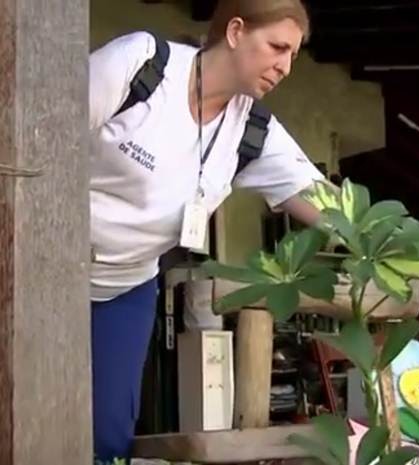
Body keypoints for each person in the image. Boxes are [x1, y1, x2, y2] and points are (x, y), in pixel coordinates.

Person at [88, 0, 325, 461]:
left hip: (122, 287)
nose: (285, 66)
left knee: (106, 437)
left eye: (293, 55)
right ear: (235, 31)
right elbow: (37, 131)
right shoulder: (143, 66)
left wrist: (413, 247)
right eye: (277, 47)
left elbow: (328, 205)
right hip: (33, 267)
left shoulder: (253, 129)